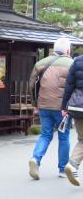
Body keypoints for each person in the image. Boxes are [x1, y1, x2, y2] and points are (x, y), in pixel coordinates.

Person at [28, 38, 73, 180]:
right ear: (68, 50)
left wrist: (35, 103)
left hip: (44, 105)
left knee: (46, 135)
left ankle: (36, 159)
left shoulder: (41, 63)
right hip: (63, 108)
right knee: (64, 136)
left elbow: (31, 85)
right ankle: (62, 169)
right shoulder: (72, 64)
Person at [62, 54, 83, 186]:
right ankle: (73, 165)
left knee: (82, 139)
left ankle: (72, 165)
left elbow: (68, 86)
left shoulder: (77, 61)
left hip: (78, 106)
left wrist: (64, 107)